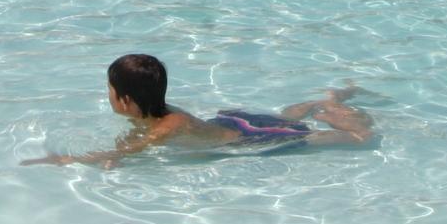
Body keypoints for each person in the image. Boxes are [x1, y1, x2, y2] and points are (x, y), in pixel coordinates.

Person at [22, 53, 376, 167]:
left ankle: (337, 110)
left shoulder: (165, 126)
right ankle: (326, 100)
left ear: (125, 100)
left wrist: (67, 159)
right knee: (285, 116)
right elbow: (130, 142)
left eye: (110, 91)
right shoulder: (156, 112)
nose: (108, 96)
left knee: (343, 139)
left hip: (246, 138)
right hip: (232, 122)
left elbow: (128, 149)